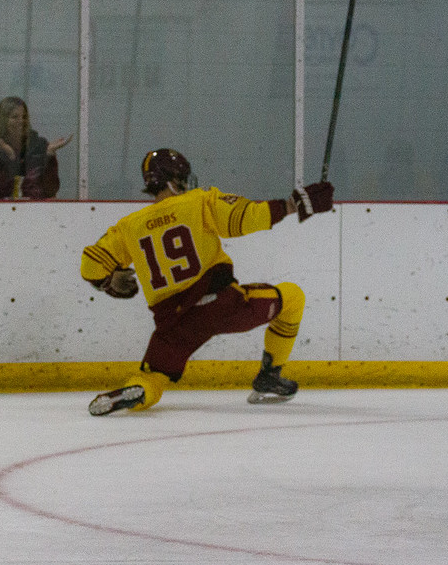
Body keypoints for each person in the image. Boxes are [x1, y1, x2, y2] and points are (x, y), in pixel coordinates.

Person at [81, 148, 334, 415]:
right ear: (172, 179)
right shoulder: (199, 202)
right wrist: (292, 205)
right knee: (293, 297)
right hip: (222, 307)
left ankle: (139, 391)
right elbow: (246, 218)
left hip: (174, 324)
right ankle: (270, 376)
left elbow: (91, 265)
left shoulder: (128, 227)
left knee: (153, 376)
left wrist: (109, 282)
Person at [0, 96, 73, 200]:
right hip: (2, 213)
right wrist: (11, 159)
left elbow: (51, 189)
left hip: (36, 211)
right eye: (15, 117)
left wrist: (49, 156)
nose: (21, 121)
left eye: (24, 117)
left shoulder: (39, 145)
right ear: (3, 121)